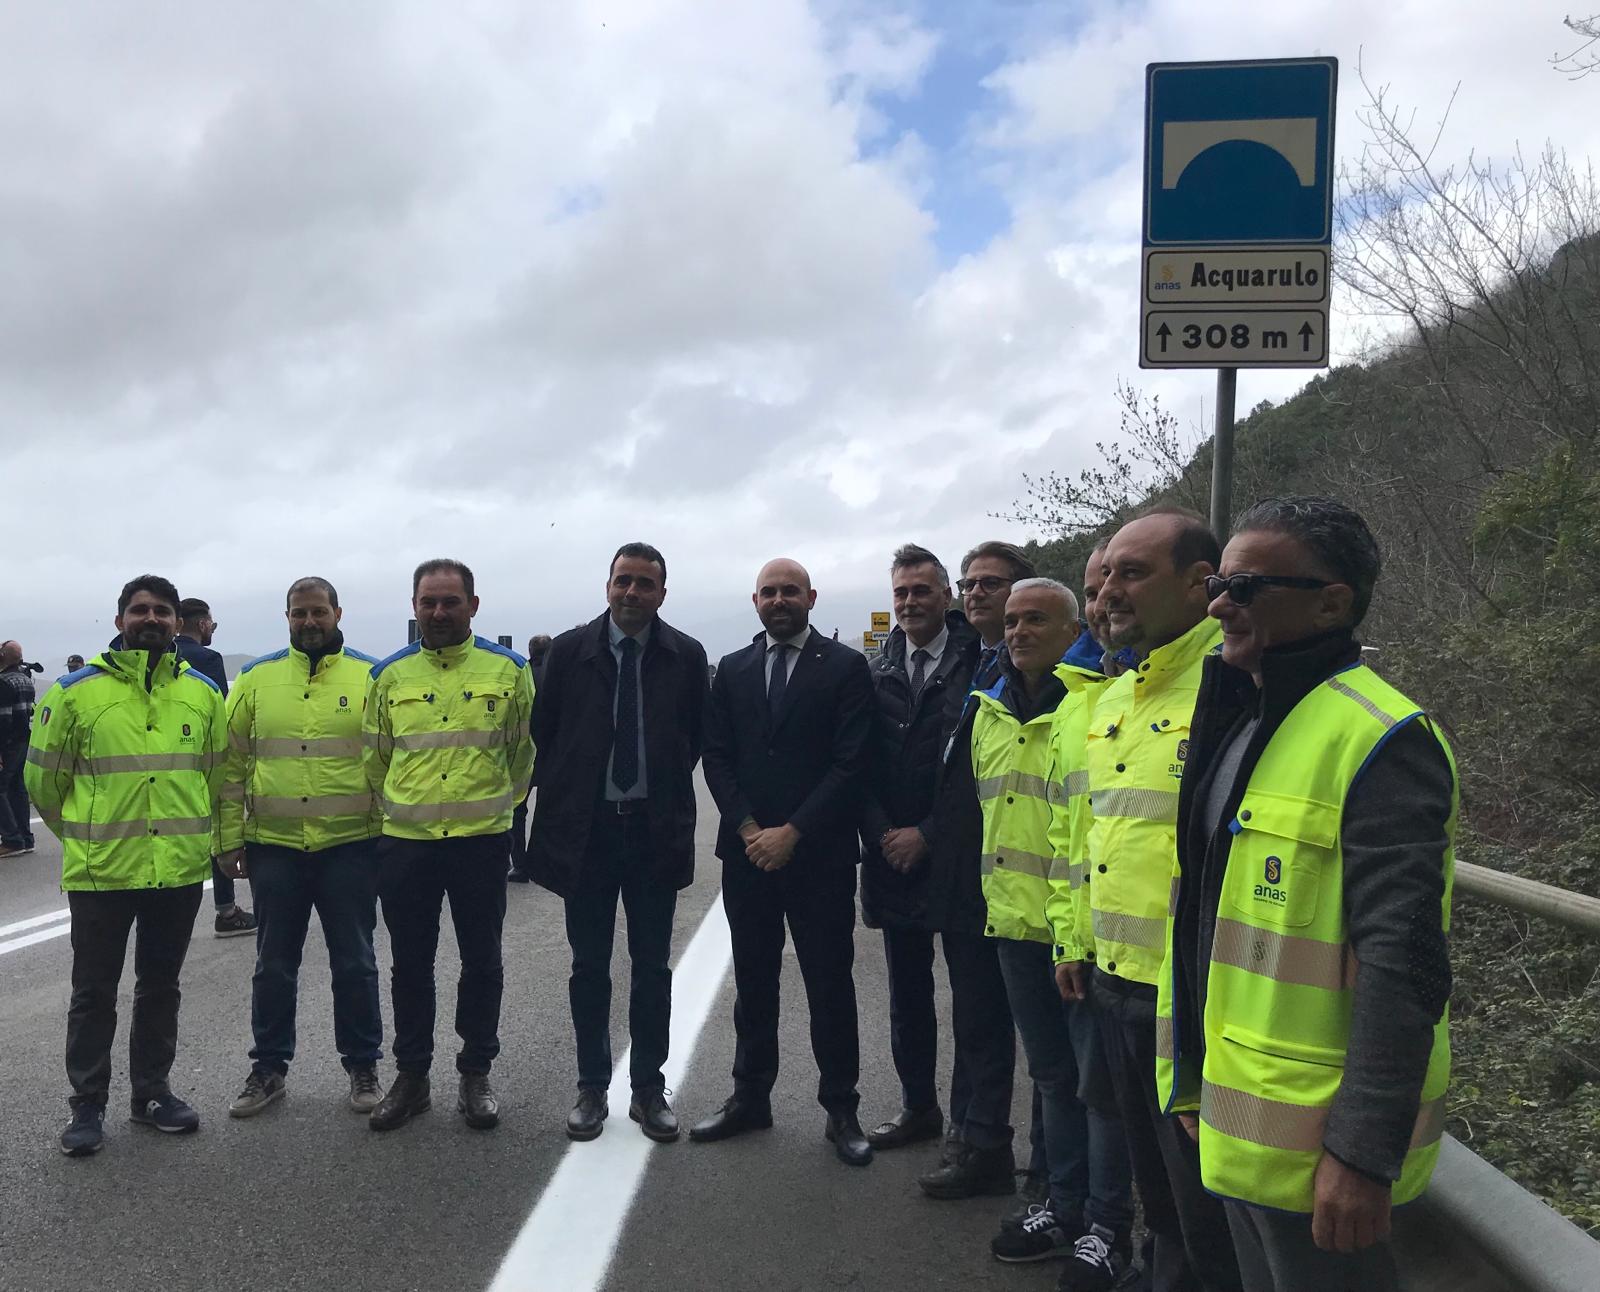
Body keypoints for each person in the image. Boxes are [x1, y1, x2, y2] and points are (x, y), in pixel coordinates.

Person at [1156, 498, 1455, 1292]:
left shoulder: (1382, 738)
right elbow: (1207, 922)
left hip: (1322, 1149)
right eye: (1220, 581)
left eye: (1246, 586)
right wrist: (1190, 1076)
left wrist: (1361, 1154)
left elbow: (1405, 962)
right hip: (1239, 1121)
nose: (1219, 603)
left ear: (1333, 602)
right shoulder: (1248, 718)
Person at [1060, 510, 1242, 1292]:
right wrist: (1077, 939)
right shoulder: (1113, 697)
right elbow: (1089, 834)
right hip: (1115, 982)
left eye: (1130, 574)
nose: (1106, 594)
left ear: (1202, 584)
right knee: (1159, 1192)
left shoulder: (1235, 688)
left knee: (1207, 1206)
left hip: (1193, 997)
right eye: (1101, 579)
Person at [958, 578, 1134, 1282]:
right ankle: (1062, 1205)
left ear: (1073, 628)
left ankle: (1107, 1222)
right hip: (1014, 927)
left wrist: (1078, 932)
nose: (1018, 632)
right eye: (1010, 622)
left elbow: (1089, 831)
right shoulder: (987, 709)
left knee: (1100, 1090)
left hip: (1084, 934)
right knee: (1055, 1079)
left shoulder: (1095, 706)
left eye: (1036, 619)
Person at [25, 575, 226, 1156]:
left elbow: (217, 778)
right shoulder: (72, 693)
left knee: (160, 988)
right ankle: (86, 1107)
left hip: (178, 872)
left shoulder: (202, 694)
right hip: (102, 874)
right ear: (119, 622)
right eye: (140, 611)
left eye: (163, 611)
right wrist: (86, 839)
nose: (152, 620)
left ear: (176, 623)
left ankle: (152, 1094)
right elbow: (42, 782)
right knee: (93, 993)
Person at [695, 557, 875, 1166]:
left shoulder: (847, 668)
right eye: (769, 592)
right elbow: (715, 757)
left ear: (811, 597)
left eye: (789, 591)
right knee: (753, 980)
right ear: (754, 601)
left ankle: (841, 1107)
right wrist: (750, 829)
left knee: (830, 982)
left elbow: (852, 763)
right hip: (747, 854)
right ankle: (751, 1097)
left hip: (818, 854)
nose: (779, 600)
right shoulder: (735, 670)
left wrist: (793, 832)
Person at [528, 543, 708, 1143]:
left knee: (653, 967)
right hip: (590, 834)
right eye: (622, 581)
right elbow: (545, 733)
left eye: (645, 584)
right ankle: (590, 1086)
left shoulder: (685, 655)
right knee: (589, 966)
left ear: (662, 591)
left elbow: (695, 737)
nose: (632, 593)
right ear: (607, 585)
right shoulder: (569, 652)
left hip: (654, 831)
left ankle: (649, 1089)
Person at [858, 544, 1018, 1202]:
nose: (910, 602)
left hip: (961, 859)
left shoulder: (980, 663)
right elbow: (857, 759)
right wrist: (881, 834)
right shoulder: (875, 667)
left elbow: (978, 774)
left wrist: (926, 834)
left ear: (944, 596)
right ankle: (918, 1107)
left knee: (978, 1007)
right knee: (908, 1000)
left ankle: (975, 1135)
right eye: (901, 593)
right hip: (890, 855)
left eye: (923, 590)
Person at [363, 559, 535, 1133]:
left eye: (450, 602)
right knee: (410, 965)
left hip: (480, 843)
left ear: (473, 605)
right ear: (413, 606)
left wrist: (493, 809)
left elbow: (521, 757)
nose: (439, 613)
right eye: (428, 602)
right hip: (407, 844)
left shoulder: (510, 671)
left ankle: (475, 1071)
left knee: (481, 962)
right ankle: (411, 1077)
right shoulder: (388, 677)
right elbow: (375, 757)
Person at [218, 576, 386, 1118]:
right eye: (299, 614)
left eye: (318, 612)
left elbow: (389, 762)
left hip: (351, 847)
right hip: (276, 847)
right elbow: (230, 765)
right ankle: (268, 1068)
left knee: (356, 963)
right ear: (286, 617)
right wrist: (227, 840)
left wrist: (389, 838)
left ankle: (362, 1065)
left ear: (338, 613)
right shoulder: (255, 679)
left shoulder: (371, 676)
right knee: (272, 965)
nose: (309, 622)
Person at [176, 596, 256, 938]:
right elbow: (219, 713)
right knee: (215, 833)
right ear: (203, 624)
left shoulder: (164, 655)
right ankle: (225, 909)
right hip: (199, 758)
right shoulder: (208, 658)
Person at [508, 633, 556, 884]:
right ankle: (547, 861)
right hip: (550, 754)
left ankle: (520, 865)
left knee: (517, 812)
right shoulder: (557, 675)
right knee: (550, 810)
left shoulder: (521, 673)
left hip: (524, 754)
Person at [0, 639, 38, 857]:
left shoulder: (3, 682)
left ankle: (11, 839)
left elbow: (3, 719)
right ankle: (25, 838)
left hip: (8, 743)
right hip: (23, 741)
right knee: (17, 788)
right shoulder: (24, 679)